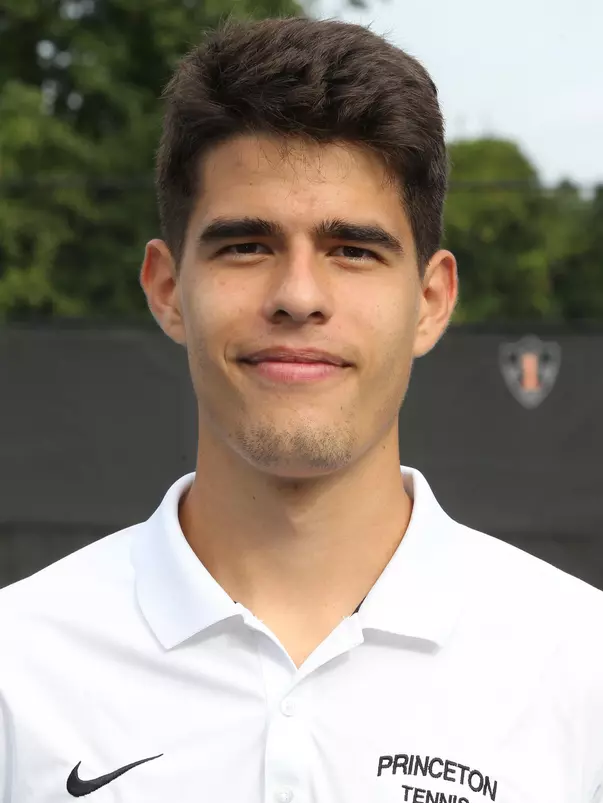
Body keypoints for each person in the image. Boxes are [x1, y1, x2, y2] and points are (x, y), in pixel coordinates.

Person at [1, 16, 602, 803]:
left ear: (429, 300)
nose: (297, 297)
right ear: (165, 289)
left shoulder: (580, 665)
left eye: (352, 249)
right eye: (245, 245)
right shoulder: (19, 665)